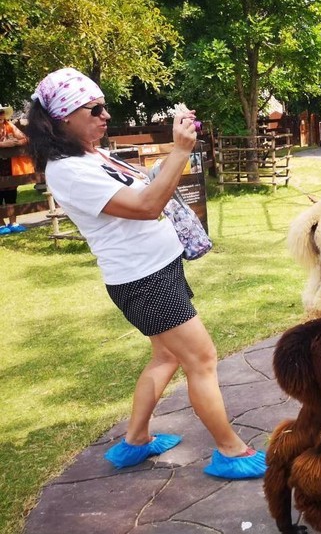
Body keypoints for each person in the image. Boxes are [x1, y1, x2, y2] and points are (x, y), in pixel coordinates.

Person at [26, 68, 267, 478]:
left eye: (105, 107)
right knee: (203, 359)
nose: (105, 115)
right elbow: (145, 207)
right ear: (64, 117)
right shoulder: (67, 170)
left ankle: (135, 442)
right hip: (144, 281)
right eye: (95, 108)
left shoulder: (90, 154)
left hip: (157, 270)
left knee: (168, 355)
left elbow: (142, 192)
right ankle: (231, 451)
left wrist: (174, 155)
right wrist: (179, 151)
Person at [0, 105, 29, 235]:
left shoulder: (10, 125)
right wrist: (2, 144)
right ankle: (1, 224)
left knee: (11, 192)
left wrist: (17, 143)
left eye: (2, 113)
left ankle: (13, 222)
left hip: (9, 165)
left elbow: (24, 138)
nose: (1, 115)